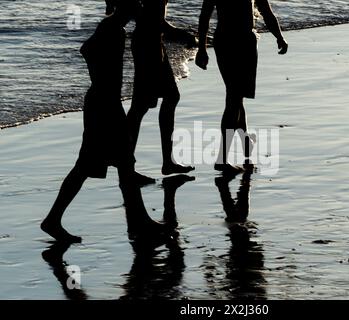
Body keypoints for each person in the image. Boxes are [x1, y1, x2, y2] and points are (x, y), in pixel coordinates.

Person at [41, 1, 169, 243]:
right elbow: (87, 50)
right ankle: (53, 219)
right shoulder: (112, 29)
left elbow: (86, 50)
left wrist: (101, 81)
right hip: (104, 106)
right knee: (97, 165)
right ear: (128, 7)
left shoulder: (114, 28)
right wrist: (100, 81)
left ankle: (139, 220)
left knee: (118, 163)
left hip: (105, 103)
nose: (141, 7)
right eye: (138, 4)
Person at [196, 0, 288, 173]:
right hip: (236, 41)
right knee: (234, 98)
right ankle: (222, 158)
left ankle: (246, 147)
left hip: (233, 40)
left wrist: (279, 36)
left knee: (236, 97)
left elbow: (266, 11)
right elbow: (205, 16)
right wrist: (201, 48)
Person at [126, 0, 196, 182]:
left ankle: (162, 162)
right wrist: (184, 35)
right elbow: (155, 21)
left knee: (151, 104)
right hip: (147, 45)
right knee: (140, 108)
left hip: (151, 42)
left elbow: (153, 20)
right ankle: (128, 167)